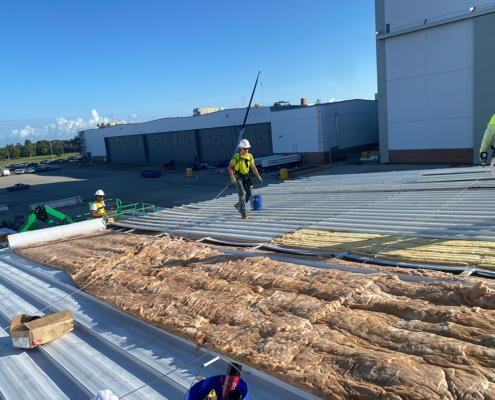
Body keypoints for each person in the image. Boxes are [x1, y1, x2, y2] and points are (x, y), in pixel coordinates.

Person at [228, 139, 263, 219]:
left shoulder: (250, 156)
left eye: (247, 148)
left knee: (250, 194)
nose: (246, 150)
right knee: (242, 195)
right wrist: (232, 176)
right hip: (237, 176)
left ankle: (239, 205)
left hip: (245, 176)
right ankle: (243, 212)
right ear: (241, 148)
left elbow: (253, 167)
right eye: (245, 149)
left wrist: (258, 176)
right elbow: (230, 167)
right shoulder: (236, 157)